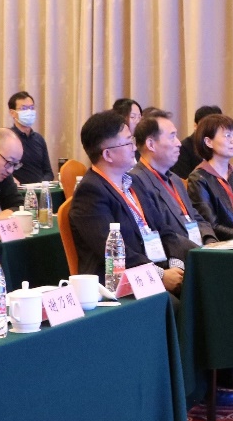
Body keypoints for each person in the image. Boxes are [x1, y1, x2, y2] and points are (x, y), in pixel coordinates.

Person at [68, 110, 192, 292]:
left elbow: (164, 229)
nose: (134, 148)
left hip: (159, 270)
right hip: (122, 283)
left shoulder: (134, 181)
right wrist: (160, 276)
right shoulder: (90, 193)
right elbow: (114, 254)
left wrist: (176, 265)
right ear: (108, 155)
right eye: (128, 142)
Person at [130, 111, 216, 247]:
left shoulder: (175, 179)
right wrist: (197, 249)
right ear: (151, 144)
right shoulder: (136, 181)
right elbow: (159, 230)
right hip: (175, 254)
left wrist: (210, 240)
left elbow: (194, 216)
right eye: (172, 137)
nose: (179, 143)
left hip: (198, 249)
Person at [8, 91, 53, 184]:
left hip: (40, 188)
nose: (29, 112)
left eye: (31, 108)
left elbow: (48, 172)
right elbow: (1, 171)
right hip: (17, 190)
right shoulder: (7, 138)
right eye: (24, 108)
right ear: (12, 113)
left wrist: (41, 185)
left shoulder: (39, 139)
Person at [172, 104, 222, 179]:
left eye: (216, 127)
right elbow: (183, 180)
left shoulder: (219, 146)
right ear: (196, 126)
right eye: (207, 126)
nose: (211, 130)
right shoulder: (183, 148)